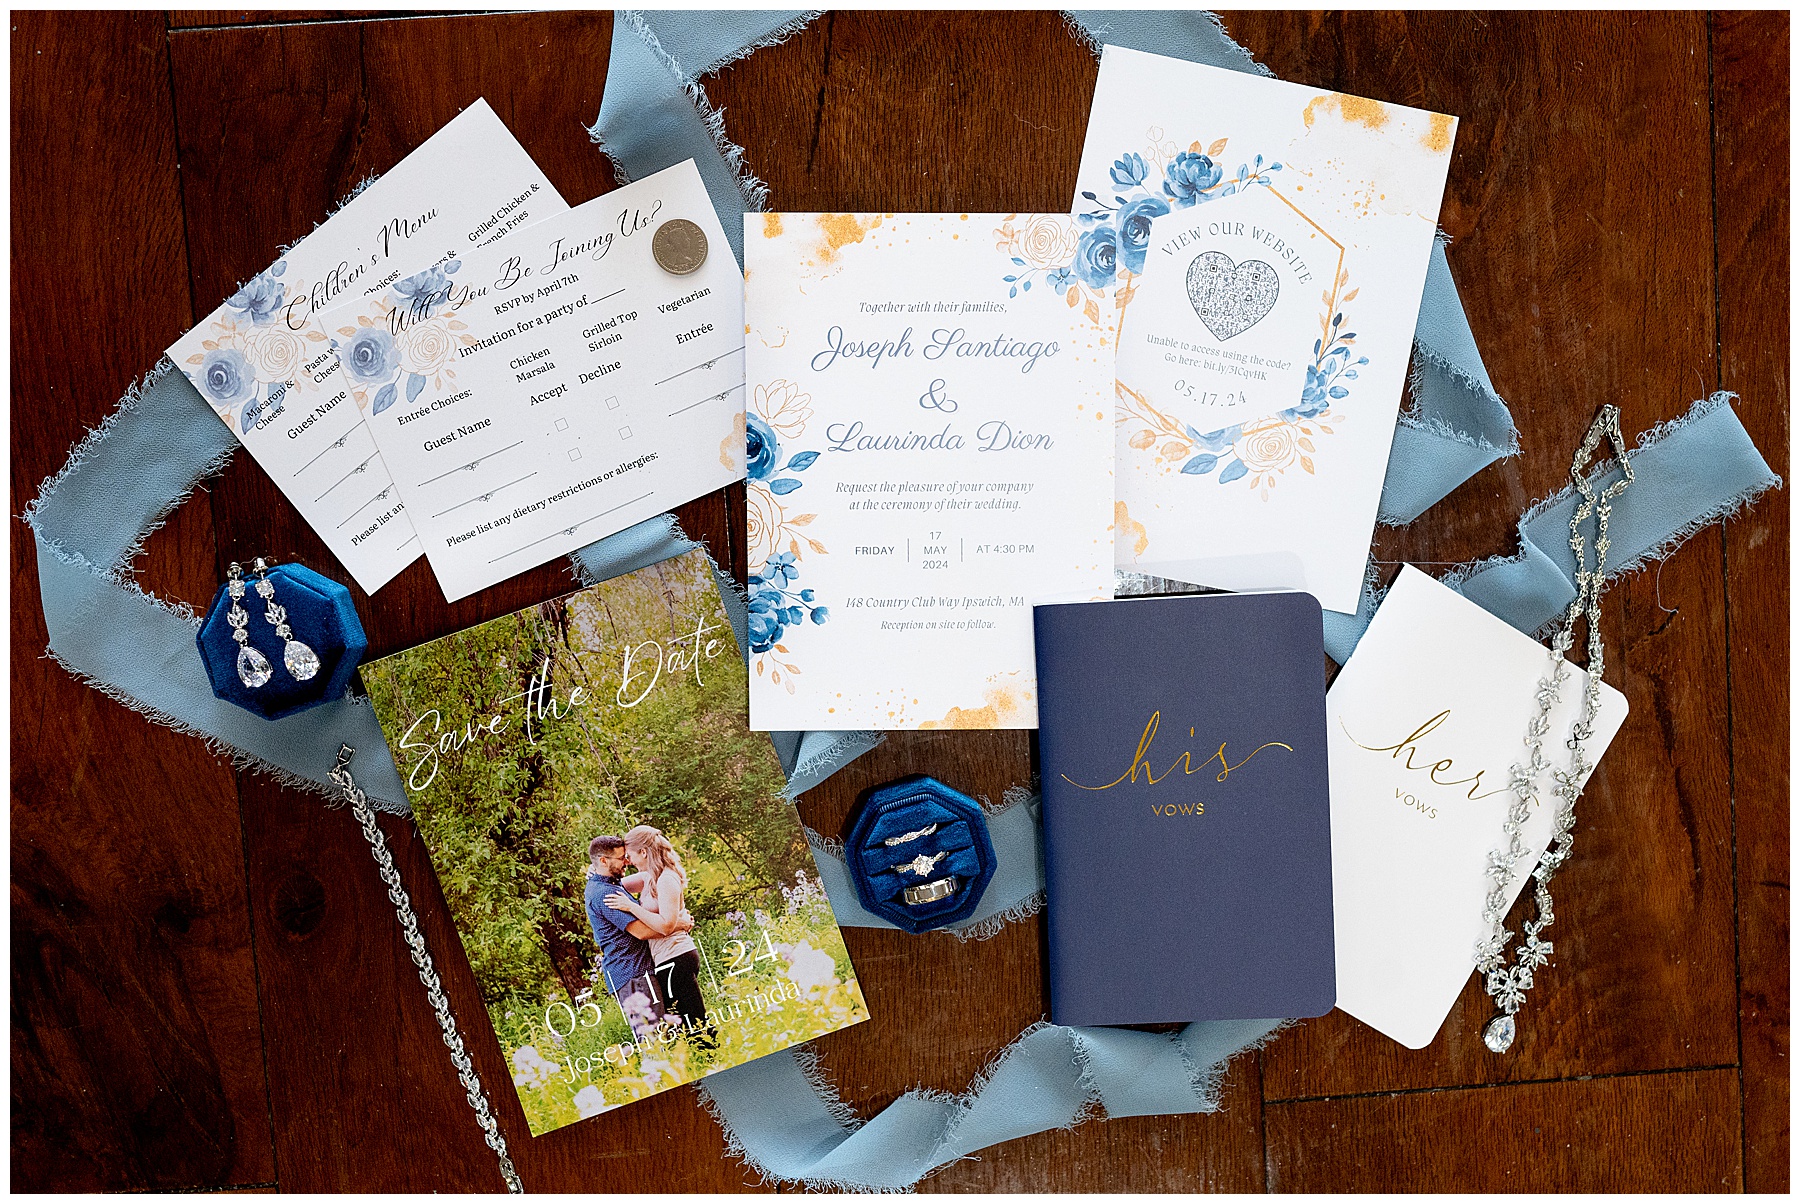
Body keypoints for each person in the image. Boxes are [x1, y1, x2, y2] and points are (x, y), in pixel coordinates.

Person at [605, 824, 718, 1049]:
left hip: (676, 956)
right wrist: (606, 866)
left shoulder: (666, 879)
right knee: (684, 1015)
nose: (629, 861)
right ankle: (704, 1058)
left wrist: (632, 907)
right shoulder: (649, 877)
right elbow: (614, 885)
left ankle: (712, 1059)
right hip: (667, 958)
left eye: (630, 856)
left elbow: (666, 925)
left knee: (693, 1017)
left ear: (644, 852)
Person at [583, 834, 690, 1040]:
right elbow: (641, 932)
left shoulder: (610, 883)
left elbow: (647, 877)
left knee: (664, 1033)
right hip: (632, 974)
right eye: (621, 858)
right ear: (604, 861)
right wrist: (679, 924)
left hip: (638, 971)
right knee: (654, 1038)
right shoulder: (604, 893)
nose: (627, 862)